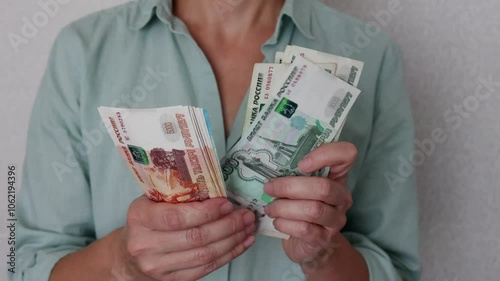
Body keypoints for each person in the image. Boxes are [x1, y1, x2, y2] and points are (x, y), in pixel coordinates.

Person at [14, 0, 421, 280]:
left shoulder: (374, 56)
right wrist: (124, 265)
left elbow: (394, 269)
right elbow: (30, 265)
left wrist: (323, 256)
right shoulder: (83, 52)